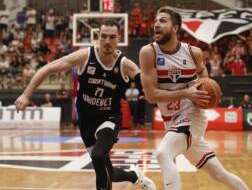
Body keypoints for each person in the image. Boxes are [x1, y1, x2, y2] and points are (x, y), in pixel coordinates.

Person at [15, 19, 156, 190]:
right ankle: (133, 176)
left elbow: (147, 85)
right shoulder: (85, 57)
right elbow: (48, 68)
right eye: (104, 36)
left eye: (112, 37)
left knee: (98, 155)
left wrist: (148, 93)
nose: (107, 41)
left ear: (117, 39)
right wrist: (26, 94)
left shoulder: (124, 64)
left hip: (109, 118)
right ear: (98, 38)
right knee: (106, 171)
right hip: (86, 121)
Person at [139, 6, 249, 190]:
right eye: (156, 21)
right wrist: (185, 92)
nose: (157, 24)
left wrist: (204, 90)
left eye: (163, 21)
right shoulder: (148, 53)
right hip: (171, 121)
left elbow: (204, 79)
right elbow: (151, 96)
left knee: (163, 153)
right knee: (219, 173)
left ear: (175, 28)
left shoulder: (193, 53)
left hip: (193, 116)